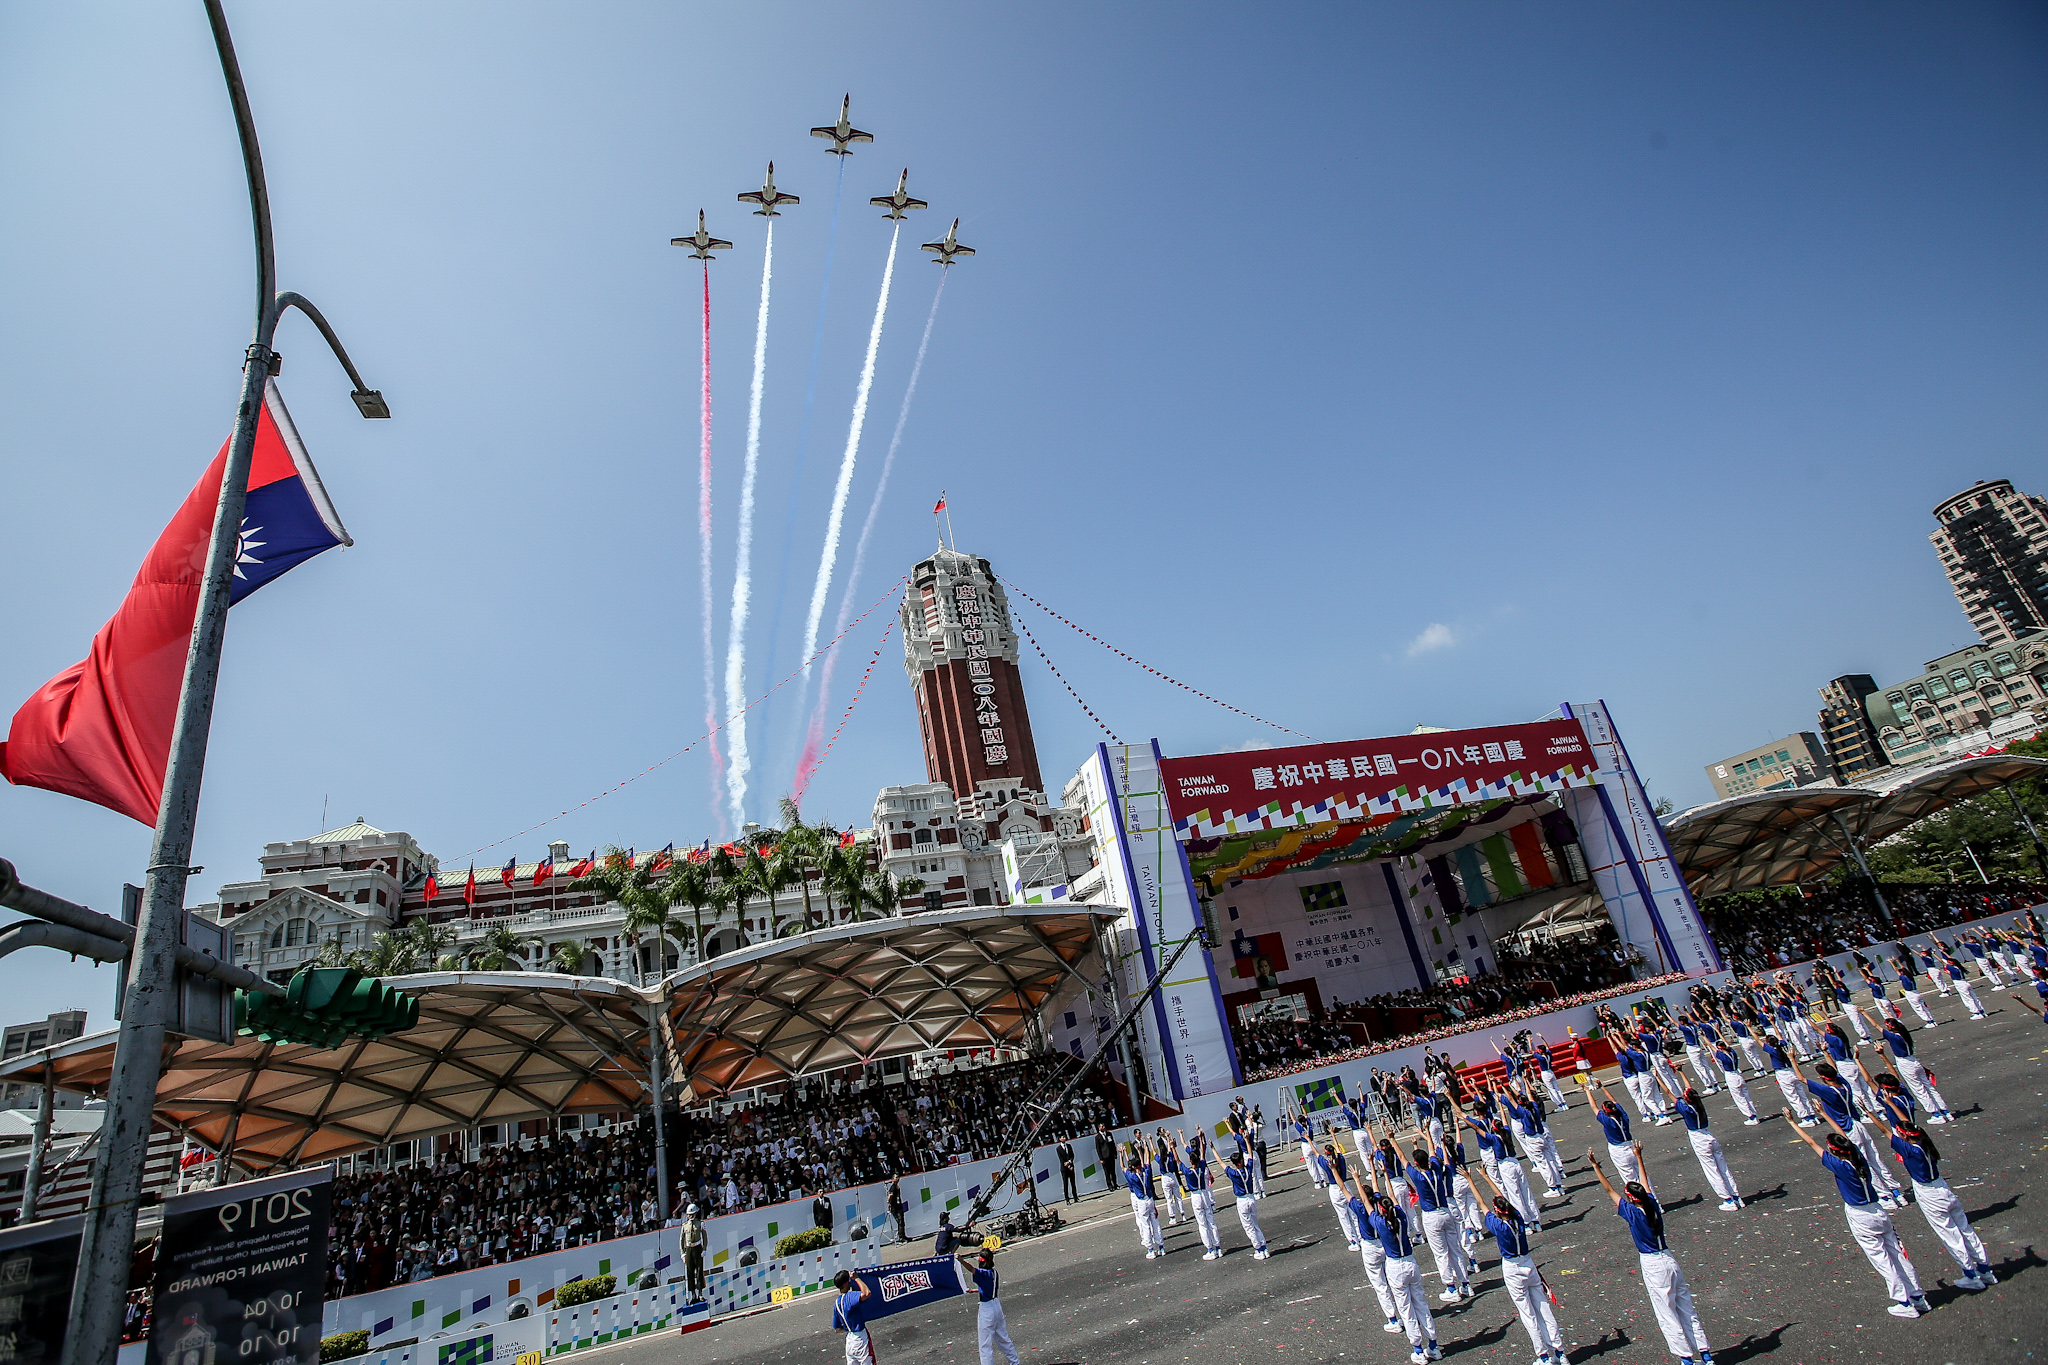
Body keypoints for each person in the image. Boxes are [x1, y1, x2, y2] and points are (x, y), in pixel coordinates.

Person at [1784, 1113, 1930, 1318]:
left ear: (1834, 1150)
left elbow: (1810, 1142)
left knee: (1882, 1259)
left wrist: (1792, 1122)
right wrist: (1826, 1115)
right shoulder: (1858, 1158)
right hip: (1878, 1210)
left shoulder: (1840, 1166)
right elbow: (1843, 1137)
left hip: (1861, 1216)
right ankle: (1917, 1296)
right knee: (1897, 1254)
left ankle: (1904, 1302)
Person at [1587, 1150, 1713, 1363]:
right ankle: (1706, 1355)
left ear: (1630, 1198)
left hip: (1653, 1264)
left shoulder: (1632, 1213)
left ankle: (1686, 1359)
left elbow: (1609, 1189)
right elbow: (1644, 1185)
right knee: (1686, 1307)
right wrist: (1639, 1158)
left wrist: (1595, 1167)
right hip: (1669, 1257)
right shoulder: (1652, 1205)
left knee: (1667, 1313)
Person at [1872, 1110, 1997, 1291]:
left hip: (1930, 1194)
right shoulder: (1924, 1142)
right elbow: (1906, 1125)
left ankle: (1971, 1275)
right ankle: (1985, 1270)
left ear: (1904, 1137)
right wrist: (1891, 1103)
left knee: (1950, 1235)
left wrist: (1870, 1113)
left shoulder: (1910, 1150)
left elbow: (1885, 1131)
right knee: (1965, 1230)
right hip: (1943, 1188)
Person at [1474, 1167, 1565, 1365]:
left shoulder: (1498, 1226)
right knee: (1543, 1308)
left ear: (1498, 1212)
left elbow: (1481, 1203)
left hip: (1513, 1268)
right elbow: (1501, 1197)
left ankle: (1543, 1356)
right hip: (1528, 1263)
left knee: (1528, 1313)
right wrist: (1487, 1177)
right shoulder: (1517, 1218)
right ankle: (1559, 1351)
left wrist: (1474, 1179)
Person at [1360, 1173, 1440, 1364]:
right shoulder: (1402, 1218)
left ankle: (1418, 1349)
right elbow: (1393, 1199)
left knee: (1406, 1309)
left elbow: (1366, 1201)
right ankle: (1434, 1346)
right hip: (1411, 1262)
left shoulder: (1379, 1223)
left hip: (1395, 1266)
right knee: (1421, 1303)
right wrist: (1386, 1178)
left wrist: (1357, 1179)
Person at [1403, 1138, 1472, 1303]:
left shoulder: (1418, 1177)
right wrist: (1427, 1135)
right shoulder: (1436, 1170)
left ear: (1416, 1163)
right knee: (1455, 1249)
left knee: (1441, 1254)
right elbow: (1435, 1155)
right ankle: (1466, 1284)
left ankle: (1451, 1287)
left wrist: (1392, 1139)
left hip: (1431, 1216)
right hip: (1446, 1211)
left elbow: (1402, 1158)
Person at [1864, 1008, 1954, 1124]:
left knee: (1919, 1090)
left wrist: (1864, 1013)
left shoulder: (1893, 1037)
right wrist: (1886, 1012)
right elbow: (1894, 1020)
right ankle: (1945, 1111)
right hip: (1914, 1060)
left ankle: (1936, 1114)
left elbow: (1876, 1025)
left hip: (1905, 1063)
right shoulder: (1903, 1032)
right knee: (1929, 1087)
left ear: (1891, 1027)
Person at [955, 1240, 1022, 1365]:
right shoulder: (994, 1272)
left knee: (985, 1345)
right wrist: (974, 1290)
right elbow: (989, 1288)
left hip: (987, 1309)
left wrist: (961, 1260)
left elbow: (972, 1269)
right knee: (1003, 1339)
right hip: (996, 1305)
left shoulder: (983, 1274)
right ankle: (1015, 1362)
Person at [1590, 1083, 1654, 1195]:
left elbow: (1593, 1107)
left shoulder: (1607, 1121)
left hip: (1619, 1150)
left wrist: (1587, 1090)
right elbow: (1614, 1101)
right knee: (1643, 1176)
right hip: (1631, 1146)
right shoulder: (1623, 1115)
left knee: (1630, 1180)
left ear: (1605, 1112)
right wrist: (1602, 1087)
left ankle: (1641, 1206)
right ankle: (1655, 1202)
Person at [1177, 1130, 1223, 1260]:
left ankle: (1210, 1249)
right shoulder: (1202, 1166)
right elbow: (1202, 1153)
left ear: (1190, 1160)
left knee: (1202, 1224)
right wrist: (1201, 1137)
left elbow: (1178, 1160)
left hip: (1196, 1195)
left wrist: (1172, 1146)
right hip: (1204, 1193)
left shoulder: (1188, 1171)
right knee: (1211, 1221)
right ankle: (1218, 1247)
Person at [1222, 1148, 1269, 1260]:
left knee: (1249, 1227)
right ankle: (1264, 1248)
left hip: (1242, 1200)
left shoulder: (1233, 1173)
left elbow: (1221, 1163)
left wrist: (1213, 1149)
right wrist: (1248, 1141)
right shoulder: (1248, 1169)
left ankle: (1258, 1249)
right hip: (1251, 1198)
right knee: (1255, 1224)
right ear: (1242, 1161)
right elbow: (1251, 1155)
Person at [1124, 1149, 1164, 1259]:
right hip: (1150, 1199)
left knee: (1145, 1225)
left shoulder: (1132, 1177)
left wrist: (1121, 1153)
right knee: (1155, 1223)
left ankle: (1150, 1249)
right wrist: (1144, 1148)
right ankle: (1161, 1246)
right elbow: (1146, 1159)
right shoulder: (1147, 1172)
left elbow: (1123, 1168)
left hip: (1142, 1201)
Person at [831, 1269, 876, 1365]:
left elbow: (837, 1329)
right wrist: (857, 1278)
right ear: (847, 1282)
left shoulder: (836, 1304)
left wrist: (849, 1326)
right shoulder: (850, 1297)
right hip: (860, 1339)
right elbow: (867, 1293)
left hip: (849, 1341)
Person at [680, 1204, 707, 1301]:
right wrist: (682, 1253)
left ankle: (700, 1293)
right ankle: (693, 1294)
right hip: (689, 1249)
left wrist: (704, 1249)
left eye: (692, 1214)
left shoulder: (700, 1223)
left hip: (697, 1248)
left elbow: (704, 1237)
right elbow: (681, 1240)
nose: (690, 1216)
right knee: (690, 1272)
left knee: (699, 1271)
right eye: (689, 1215)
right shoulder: (685, 1226)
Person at [1094, 1125, 1119, 1194]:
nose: (1103, 1127)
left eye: (1104, 1126)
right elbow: (1098, 1149)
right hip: (1104, 1156)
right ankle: (1109, 1185)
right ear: (1099, 1128)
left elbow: (1113, 1144)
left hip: (1111, 1154)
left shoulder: (1109, 1134)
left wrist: (1115, 1153)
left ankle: (1115, 1184)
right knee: (1107, 1172)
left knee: (1113, 1171)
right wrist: (1101, 1158)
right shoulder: (1097, 1137)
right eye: (1101, 1126)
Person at [1056, 1137, 1078, 1205]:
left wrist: (1070, 1162)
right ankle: (1067, 1199)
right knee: (1066, 1184)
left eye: (1064, 1137)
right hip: (1064, 1168)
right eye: (1062, 1137)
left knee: (1073, 1183)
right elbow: (1061, 1159)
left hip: (1070, 1166)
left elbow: (1072, 1155)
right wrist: (1067, 1165)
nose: (1064, 1138)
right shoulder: (1058, 1148)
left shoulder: (1069, 1146)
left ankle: (1075, 1197)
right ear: (1060, 1139)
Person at [886, 1177, 908, 1243]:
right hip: (895, 1207)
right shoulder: (893, 1187)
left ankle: (903, 1235)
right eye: (896, 1178)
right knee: (900, 1221)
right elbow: (890, 1196)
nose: (897, 1179)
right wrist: (890, 1203)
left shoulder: (897, 1187)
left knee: (902, 1221)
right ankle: (901, 1237)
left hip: (899, 1205)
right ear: (893, 1179)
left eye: (898, 1178)